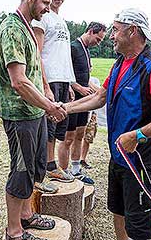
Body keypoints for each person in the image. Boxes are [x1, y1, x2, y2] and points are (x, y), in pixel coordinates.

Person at [62, 8, 151, 240]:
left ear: (133, 31)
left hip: (142, 162)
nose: (111, 35)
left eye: (116, 30)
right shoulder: (120, 64)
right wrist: (65, 108)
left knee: (140, 227)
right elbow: (100, 96)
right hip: (118, 157)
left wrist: (137, 135)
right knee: (118, 212)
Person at [0, 0, 67, 240]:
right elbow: (19, 81)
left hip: (34, 113)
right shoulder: (12, 29)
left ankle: (27, 215)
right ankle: (14, 231)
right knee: (21, 171)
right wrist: (49, 105)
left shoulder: (28, 27)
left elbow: (35, 73)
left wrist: (46, 96)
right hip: (20, 115)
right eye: (44, 2)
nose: (47, 8)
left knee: (35, 169)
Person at [32, 0, 76, 183]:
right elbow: (37, 53)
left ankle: (52, 164)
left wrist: (69, 84)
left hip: (62, 80)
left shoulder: (62, 22)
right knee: (48, 125)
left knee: (59, 126)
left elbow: (63, 55)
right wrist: (45, 84)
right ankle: (48, 166)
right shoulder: (43, 18)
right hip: (49, 78)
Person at [58, 22, 106, 184]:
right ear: (91, 31)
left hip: (84, 101)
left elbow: (85, 77)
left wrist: (96, 90)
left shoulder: (86, 50)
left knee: (80, 134)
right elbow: (64, 72)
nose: (98, 43)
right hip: (72, 99)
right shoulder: (73, 47)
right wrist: (77, 87)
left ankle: (76, 170)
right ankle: (63, 172)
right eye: (98, 39)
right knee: (68, 138)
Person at [80, 76, 100, 169]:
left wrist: (88, 82)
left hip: (91, 114)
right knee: (77, 136)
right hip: (82, 111)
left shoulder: (94, 80)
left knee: (89, 136)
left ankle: (82, 159)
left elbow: (100, 92)